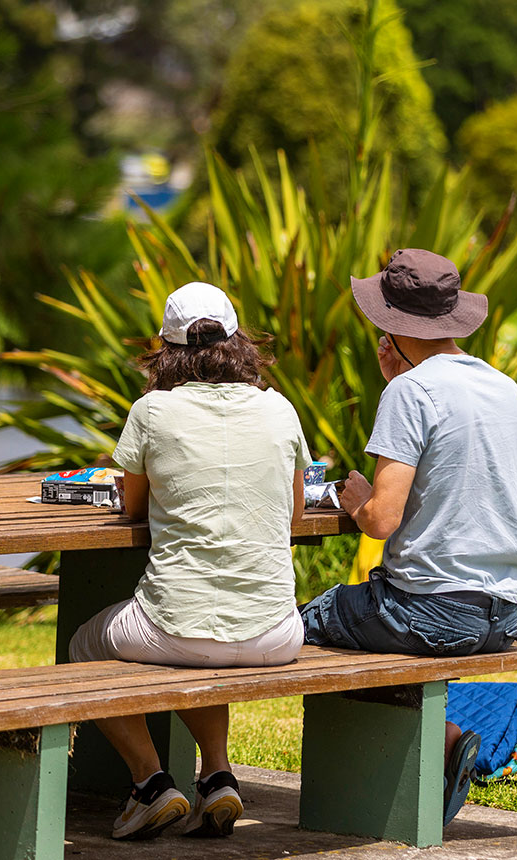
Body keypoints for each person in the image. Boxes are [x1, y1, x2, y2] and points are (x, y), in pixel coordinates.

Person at [68, 281, 311, 841]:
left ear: (166, 347)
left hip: (171, 627)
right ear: (238, 340)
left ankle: (150, 785)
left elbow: (133, 506)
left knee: (83, 645)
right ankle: (217, 777)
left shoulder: (153, 410)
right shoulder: (278, 408)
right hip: (277, 632)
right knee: (209, 643)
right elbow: (296, 511)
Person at [298, 248, 517, 827]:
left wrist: (354, 500)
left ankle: (433, 746)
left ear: (390, 327)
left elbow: (381, 520)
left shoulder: (408, 392)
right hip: (502, 615)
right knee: (357, 622)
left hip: (429, 613)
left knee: (297, 624)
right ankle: (444, 741)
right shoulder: (505, 388)